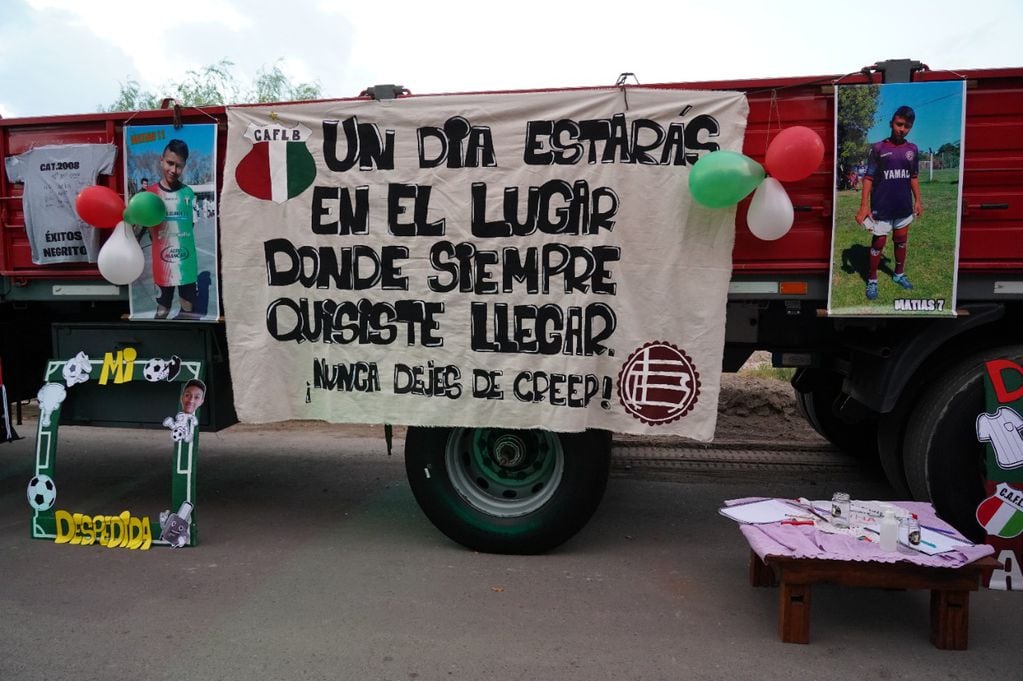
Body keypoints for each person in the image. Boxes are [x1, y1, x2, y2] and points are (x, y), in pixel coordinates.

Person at [855, 105, 923, 301]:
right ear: (891, 123)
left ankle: (899, 274)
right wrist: (864, 205)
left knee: (901, 241)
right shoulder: (878, 148)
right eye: (899, 124)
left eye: (907, 126)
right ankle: (873, 279)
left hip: (903, 206)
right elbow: (868, 178)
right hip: (881, 207)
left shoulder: (912, 149)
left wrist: (918, 200)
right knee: (879, 242)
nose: (902, 129)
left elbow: (914, 176)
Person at [147, 140, 199, 319]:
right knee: (162, 309)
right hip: (162, 265)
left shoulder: (188, 193)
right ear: (161, 161)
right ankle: (161, 343)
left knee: (189, 308)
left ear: (184, 166)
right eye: (170, 163)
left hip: (186, 263)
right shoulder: (150, 194)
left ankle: (187, 345)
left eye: (179, 166)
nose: (173, 170)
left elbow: (191, 225)